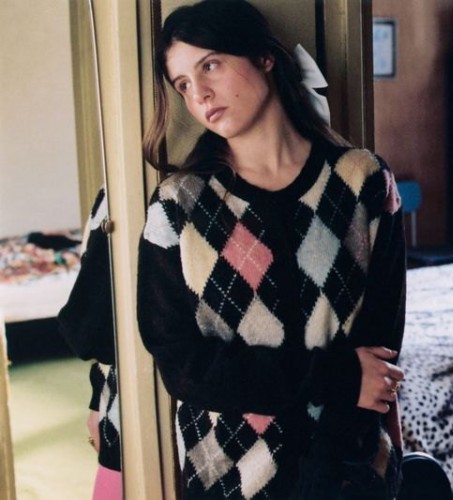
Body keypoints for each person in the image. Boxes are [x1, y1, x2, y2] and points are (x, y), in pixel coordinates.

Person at [137, 1, 406, 498]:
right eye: (183, 84)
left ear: (264, 57)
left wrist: (330, 469)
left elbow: (380, 345)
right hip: (228, 480)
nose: (199, 94)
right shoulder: (178, 207)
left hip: (349, 472)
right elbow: (182, 365)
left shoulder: (362, 182)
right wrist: (333, 376)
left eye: (210, 65)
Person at [57, 187, 122, 500]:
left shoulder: (118, 195)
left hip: (128, 410)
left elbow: (87, 330)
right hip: (118, 401)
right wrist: (97, 401)